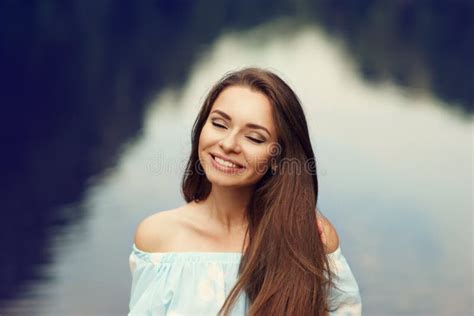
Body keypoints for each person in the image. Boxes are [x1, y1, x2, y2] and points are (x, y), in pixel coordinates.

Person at [128, 68, 362, 315]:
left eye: (254, 138)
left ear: (277, 157)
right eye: (219, 124)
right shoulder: (158, 236)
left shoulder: (311, 236)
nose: (228, 145)